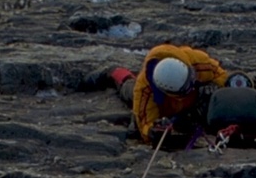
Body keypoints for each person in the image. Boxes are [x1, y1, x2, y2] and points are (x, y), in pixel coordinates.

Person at [98, 44, 231, 145]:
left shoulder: (197, 60)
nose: (190, 88)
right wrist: (153, 132)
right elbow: (144, 123)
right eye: (185, 89)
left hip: (196, 102)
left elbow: (222, 75)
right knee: (128, 91)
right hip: (164, 107)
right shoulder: (144, 89)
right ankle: (116, 73)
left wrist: (215, 86)